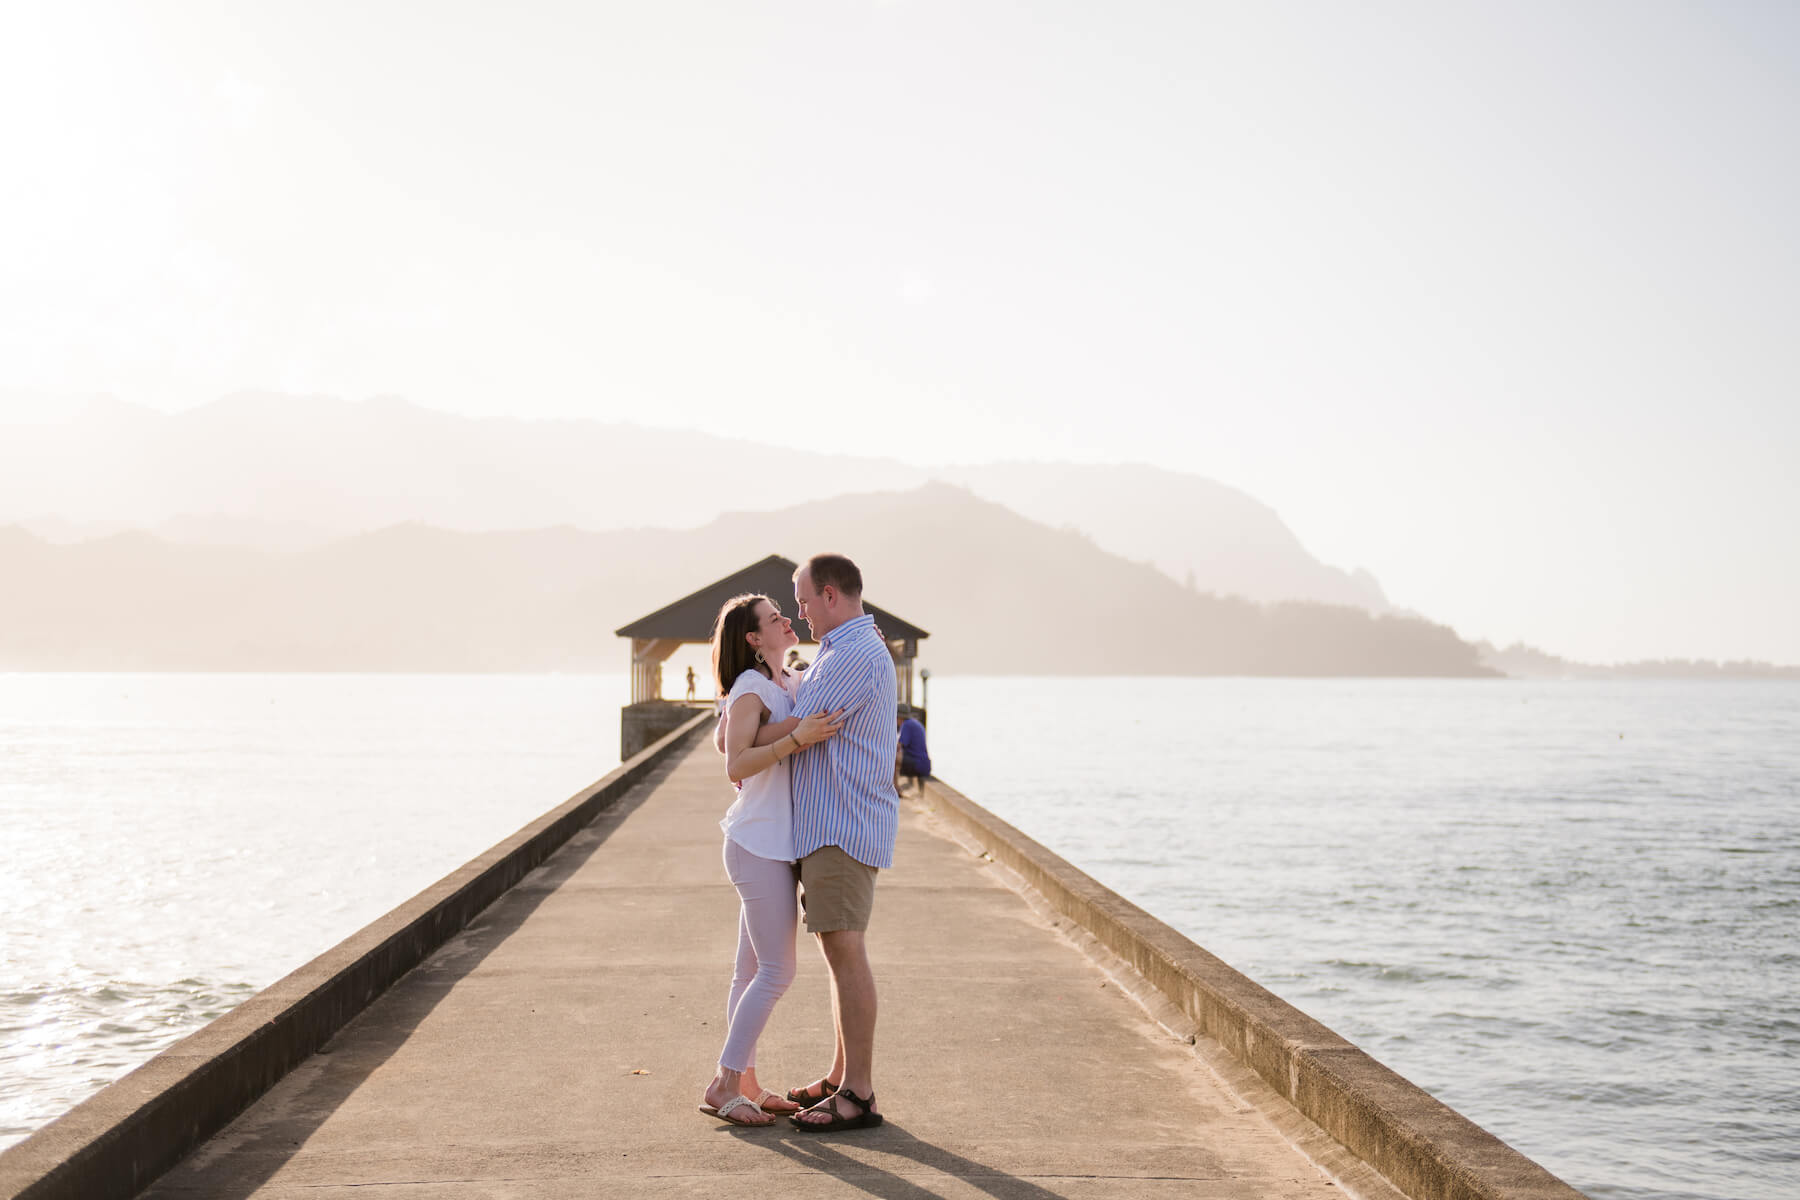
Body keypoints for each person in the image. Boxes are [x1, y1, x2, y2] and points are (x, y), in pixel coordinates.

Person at [752, 553, 898, 1132]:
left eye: (805, 599)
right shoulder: (843, 650)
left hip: (842, 825)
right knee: (839, 956)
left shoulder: (854, 653)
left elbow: (797, 718)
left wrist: (738, 732)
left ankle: (858, 1094)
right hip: (834, 824)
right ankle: (843, 1076)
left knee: (846, 953)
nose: (799, 611)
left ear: (832, 595)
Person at [699, 593, 844, 1127]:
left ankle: (749, 1084)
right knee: (778, 971)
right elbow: (735, 759)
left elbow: (737, 738)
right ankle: (724, 1083)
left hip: (773, 844)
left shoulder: (786, 682)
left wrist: (787, 730)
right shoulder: (752, 686)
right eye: (774, 618)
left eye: (785, 613)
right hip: (757, 843)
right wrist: (796, 738)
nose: (787, 619)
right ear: (754, 639)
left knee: (750, 972)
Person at [896, 708, 930, 794]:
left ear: (900, 718)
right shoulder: (913, 723)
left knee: (892, 758)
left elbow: (898, 746)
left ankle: (896, 789)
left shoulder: (906, 725)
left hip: (918, 764)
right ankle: (895, 788)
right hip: (923, 764)